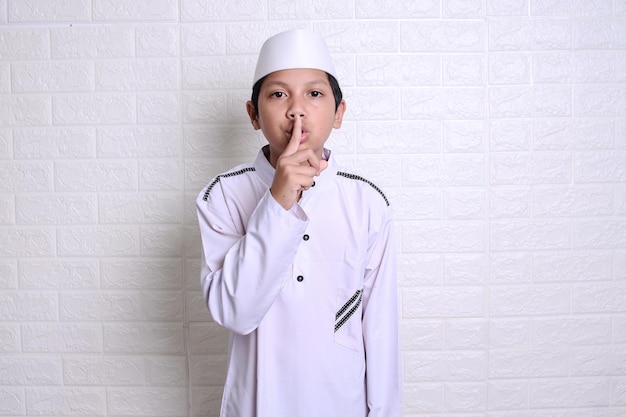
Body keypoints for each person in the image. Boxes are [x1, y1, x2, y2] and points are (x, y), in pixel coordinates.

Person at [196, 29, 401, 417]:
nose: (296, 110)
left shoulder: (367, 203)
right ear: (253, 115)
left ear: (339, 113)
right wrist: (279, 199)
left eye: (314, 94)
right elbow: (235, 312)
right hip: (258, 405)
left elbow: (381, 332)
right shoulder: (221, 195)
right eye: (277, 94)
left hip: (343, 406)